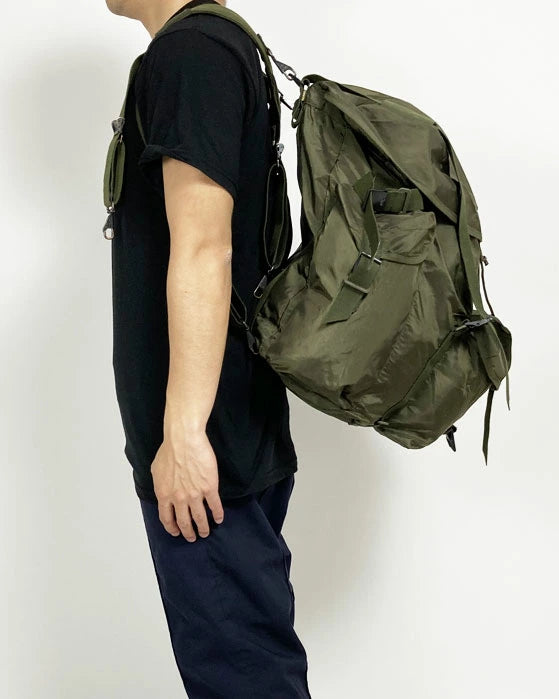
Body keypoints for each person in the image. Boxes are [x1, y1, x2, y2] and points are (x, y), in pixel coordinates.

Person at [104, 0, 311, 695]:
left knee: (244, 681)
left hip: (207, 451)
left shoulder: (190, 56)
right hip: (223, 435)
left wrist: (185, 434)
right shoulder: (216, 48)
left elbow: (204, 246)